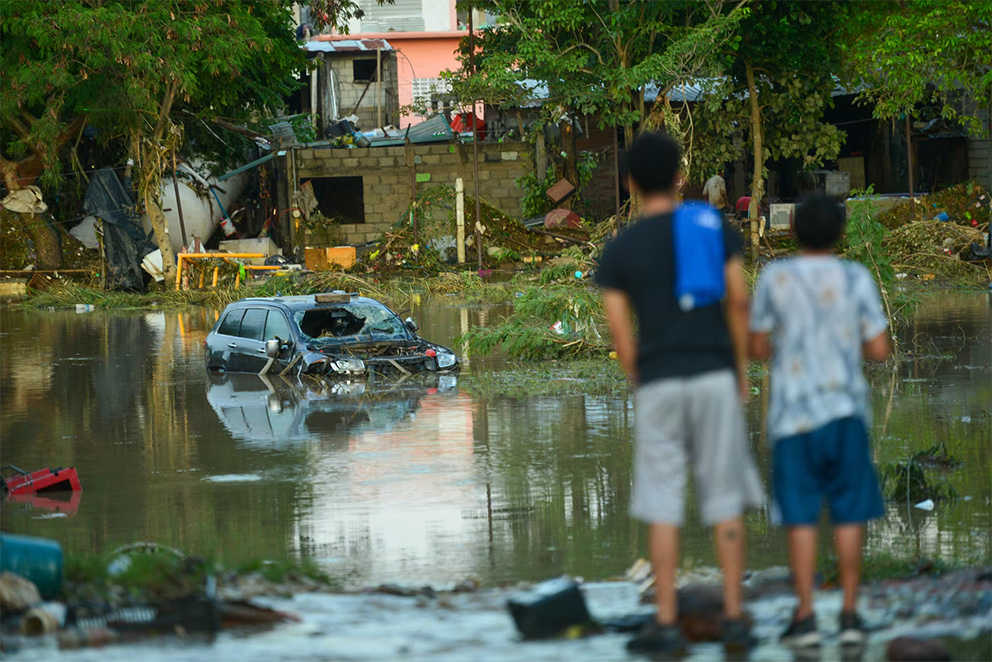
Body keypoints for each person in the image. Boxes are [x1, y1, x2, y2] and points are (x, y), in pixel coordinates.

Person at [596, 133, 764, 655]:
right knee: (725, 501)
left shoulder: (621, 248)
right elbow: (739, 302)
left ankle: (666, 624)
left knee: (663, 504)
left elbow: (622, 336)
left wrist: (642, 380)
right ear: (679, 178)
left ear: (629, 183)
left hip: (660, 383)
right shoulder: (711, 226)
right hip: (714, 374)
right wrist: (739, 369)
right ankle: (735, 616)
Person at [749, 194, 889, 648]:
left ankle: (806, 615)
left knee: (802, 516)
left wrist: (789, 346)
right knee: (849, 512)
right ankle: (849, 614)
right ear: (840, 235)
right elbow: (879, 350)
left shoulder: (775, 276)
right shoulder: (856, 278)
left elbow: (756, 346)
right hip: (845, 413)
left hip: (793, 419)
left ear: (792, 232)